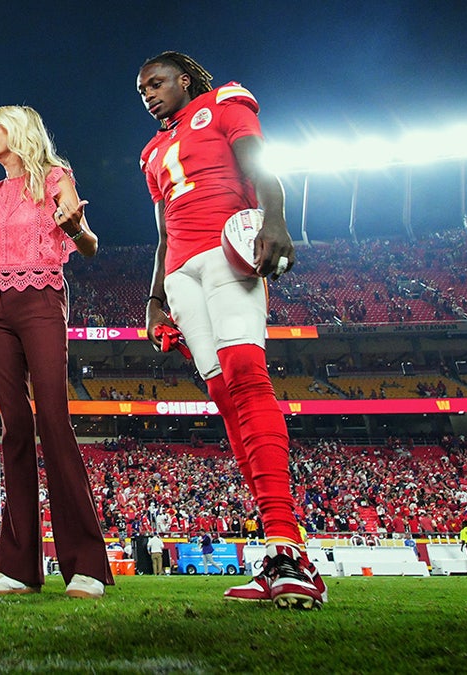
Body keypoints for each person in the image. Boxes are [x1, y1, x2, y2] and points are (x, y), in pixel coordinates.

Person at [136, 51, 324, 609]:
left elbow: (258, 164)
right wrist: (152, 300)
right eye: (141, 88)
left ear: (185, 79)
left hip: (227, 249)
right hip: (180, 274)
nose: (147, 93)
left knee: (246, 375)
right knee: (223, 394)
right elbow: (164, 228)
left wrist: (276, 219)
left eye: (156, 82)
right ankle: (276, 554)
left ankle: (287, 549)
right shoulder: (151, 151)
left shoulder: (223, 102)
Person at [0, 105, 112, 599]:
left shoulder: (56, 176)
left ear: (18, 133)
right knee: (13, 430)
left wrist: (76, 224)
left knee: (54, 423)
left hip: (42, 298)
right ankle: (17, 567)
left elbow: (89, 246)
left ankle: (84, 565)